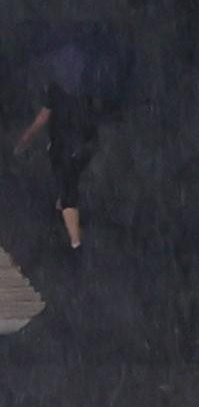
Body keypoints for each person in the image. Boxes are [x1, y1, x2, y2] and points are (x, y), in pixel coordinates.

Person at [14, 21, 131, 258]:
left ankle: (75, 243)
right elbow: (101, 116)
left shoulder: (56, 92)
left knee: (68, 189)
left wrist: (23, 141)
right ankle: (63, 212)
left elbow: (40, 121)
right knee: (69, 178)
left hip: (66, 147)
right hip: (86, 146)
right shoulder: (87, 92)